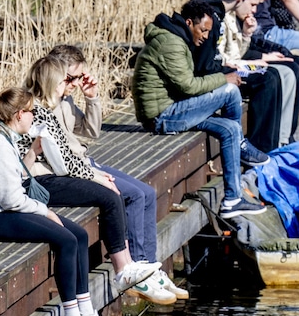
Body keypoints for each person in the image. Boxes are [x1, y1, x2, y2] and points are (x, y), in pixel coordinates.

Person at [0, 87, 118, 316]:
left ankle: (86, 311)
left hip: (6, 207)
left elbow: (16, 182)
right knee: (66, 241)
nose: (35, 117)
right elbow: (10, 200)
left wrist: (34, 152)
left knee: (79, 234)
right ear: (19, 114)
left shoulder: (5, 137)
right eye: (32, 112)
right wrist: (45, 211)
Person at [38, 45, 189, 301]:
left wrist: (93, 98)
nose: (75, 83)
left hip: (86, 163)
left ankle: (148, 266)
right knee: (130, 195)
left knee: (148, 193)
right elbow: (59, 159)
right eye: (71, 78)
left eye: (78, 78)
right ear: (57, 74)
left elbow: (91, 132)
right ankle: (137, 269)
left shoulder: (65, 101)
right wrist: (93, 175)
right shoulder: (44, 106)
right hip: (77, 169)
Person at [132, 0, 269, 220]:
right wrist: (224, 79)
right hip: (163, 116)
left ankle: (233, 199)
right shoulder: (171, 44)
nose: (205, 37)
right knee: (231, 90)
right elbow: (188, 86)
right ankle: (241, 147)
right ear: (189, 23)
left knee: (230, 130)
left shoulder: (176, 38)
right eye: (203, 30)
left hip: (174, 108)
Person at [207, 0, 299, 148]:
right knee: (269, 78)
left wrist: (245, 35)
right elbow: (223, 59)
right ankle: (263, 146)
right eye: (252, 4)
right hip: (221, 72)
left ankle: (283, 138)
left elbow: (235, 53)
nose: (255, 10)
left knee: (289, 68)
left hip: (232, 64)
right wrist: (254, 61)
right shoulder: (218, 16)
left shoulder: (230, 16)